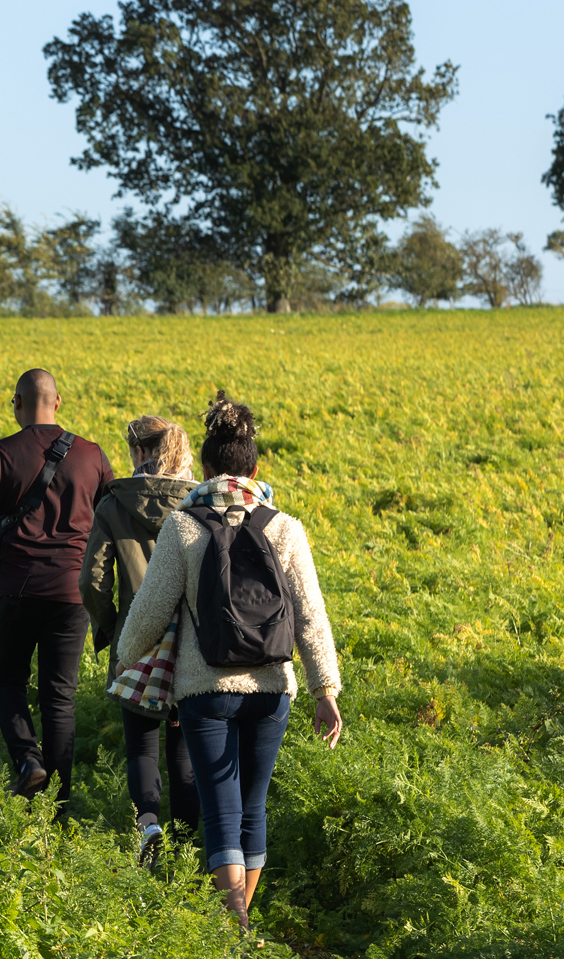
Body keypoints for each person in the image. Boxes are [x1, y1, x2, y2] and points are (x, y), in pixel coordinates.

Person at [110, 391, 343, 930]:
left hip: (204, 690)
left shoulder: (183, 526)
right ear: (256, 468)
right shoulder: (285, 528)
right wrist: (323, 691)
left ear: (206, 469)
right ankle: (241, 921)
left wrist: (126, 658)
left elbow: (148, 613)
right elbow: (311, 617)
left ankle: (233, 925)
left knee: (220, 812)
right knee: (252, 809)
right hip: (271, 688)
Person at [0, 369, 116, 800]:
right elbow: (112, 522)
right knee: (59, 699)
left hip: (16, 587)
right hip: (72, 593)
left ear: (17, 403)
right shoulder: (92, 455)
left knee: (7, 681)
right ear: (58, 402)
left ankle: (28, 761)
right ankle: (59, 806)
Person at [81, 416, 200, 864]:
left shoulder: (115, 503)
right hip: (191, 643)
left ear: (137, 453)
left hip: (137, 638)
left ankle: (149, 826)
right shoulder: (199, 503)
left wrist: (112, 630)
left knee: (141, 746)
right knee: (185, 751)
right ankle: (187, 853)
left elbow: (92, 580)